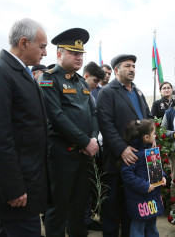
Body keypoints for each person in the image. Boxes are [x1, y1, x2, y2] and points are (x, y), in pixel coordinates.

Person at [0, 18, 49, 236]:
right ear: (24, 42)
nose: (45, 53)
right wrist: (12, 188)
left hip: (27, 183)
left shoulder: (20, 71)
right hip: (15, 190)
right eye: (42, 47)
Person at [39, 28, 99, 237]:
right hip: (61, 154)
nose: (79, 57)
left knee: (80, 206)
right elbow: (56, 116)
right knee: (58, 207)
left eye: (81, 53)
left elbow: (92, 113)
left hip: (83, 154)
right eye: (74, 53)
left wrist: (91, 138)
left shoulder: (81, 82)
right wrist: (85, 141)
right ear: (59, 54)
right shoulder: (49, 79)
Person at [97, 54, 152, 237]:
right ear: (116, 70)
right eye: (127, 65)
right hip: (116, 158)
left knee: (131, 202)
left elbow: (147, 118)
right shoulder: (108, 91)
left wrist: (152, 138)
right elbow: (106, 125)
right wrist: (122, 149)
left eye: (134, 66)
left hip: (137, 157)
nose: (132, 69)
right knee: (112, 203)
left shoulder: (137, 91)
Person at [121, 120, 165, 237]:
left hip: (152, 197)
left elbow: (156, 167)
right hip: (139, 200)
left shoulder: (151, 150)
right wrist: (144, 185)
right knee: (138, 228)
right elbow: (127, 175)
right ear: (146, 137)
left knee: (152, 225)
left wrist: (162, 176)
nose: (155, 136)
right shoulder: (133, 155)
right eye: (154, 133)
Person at [81, 61, 105, 232]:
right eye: (95, 81)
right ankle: (74, 222)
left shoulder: (89, 96)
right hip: (75, 148)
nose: (97, 85)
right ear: (86, 76)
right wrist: (85, 141)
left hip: (89, 147)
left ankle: (86, 219)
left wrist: (93, 139)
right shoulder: (73, 93)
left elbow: (94, 118)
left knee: (86, 187)